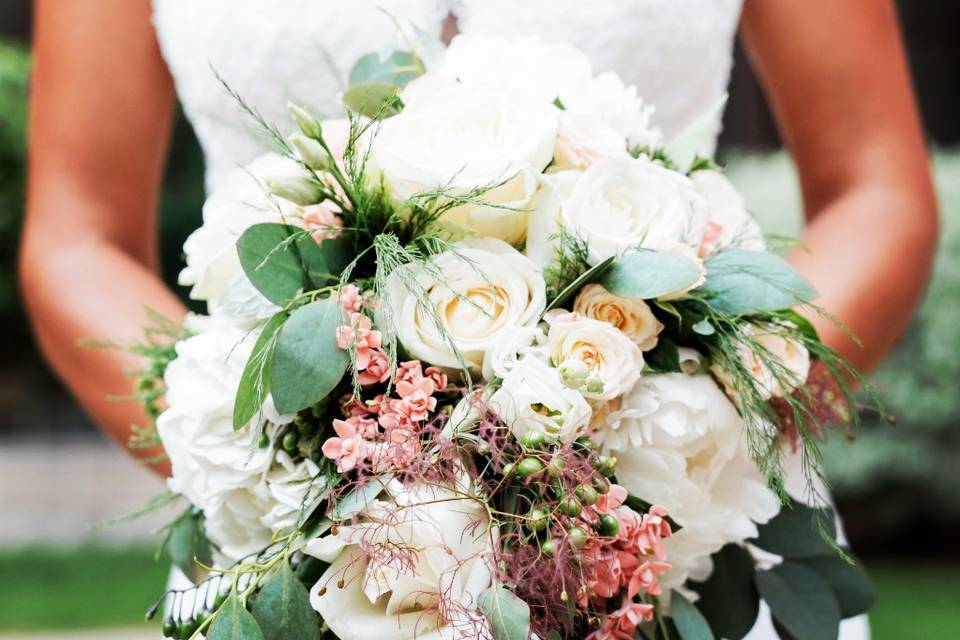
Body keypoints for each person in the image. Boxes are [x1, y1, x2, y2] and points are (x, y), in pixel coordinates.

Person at [19, 2, 937, 637]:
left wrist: (686, 441)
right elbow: (76, 237)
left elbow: (875, 189)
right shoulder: (292, 507)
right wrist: (283, 474)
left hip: (678, 536)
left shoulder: (679, 485)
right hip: (309, 562)